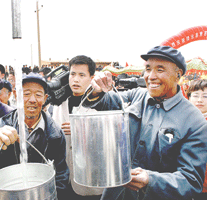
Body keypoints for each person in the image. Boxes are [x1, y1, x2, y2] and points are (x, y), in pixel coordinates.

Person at [83, 46, 207, 200]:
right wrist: (97, 90)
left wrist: (151, 180)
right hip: (116, 194)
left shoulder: (194, 121)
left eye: (160, 70)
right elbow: (109, 101)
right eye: (148, 69)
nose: (151, 76)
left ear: (178, 75)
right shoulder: (137, 96)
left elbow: (191, 181)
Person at [0, 73, 69, 199]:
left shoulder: (55, 134)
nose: (32, 100)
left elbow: (61, 175)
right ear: (16, 95)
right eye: (26, 94)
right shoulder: (3, 124)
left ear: (45, 98)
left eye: (38, 95)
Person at [52, 55, 102, 199]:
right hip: (65, 178)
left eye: (82, 75)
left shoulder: (101, 103)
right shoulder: (59, 102)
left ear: (91, 77)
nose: (76, 79)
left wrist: (82, 131)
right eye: (73, 74)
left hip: (91, 180)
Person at [186, 79, 207, 200]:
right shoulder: (179, 119)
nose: (200, 100)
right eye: (195, 95)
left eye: (205, 96)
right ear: (188, 97)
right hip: (182, 183)